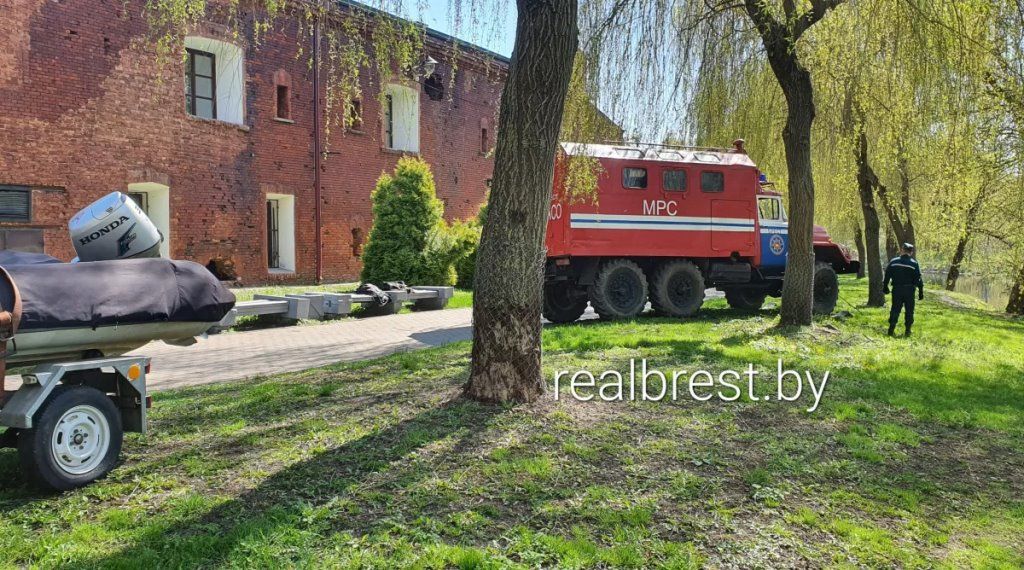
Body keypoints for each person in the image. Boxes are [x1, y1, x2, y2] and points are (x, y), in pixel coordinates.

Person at [883, 242, 924, 337]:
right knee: (909, 310)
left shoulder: (893, 262)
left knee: (895, 309)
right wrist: (921, 292)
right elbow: (918, 279)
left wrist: (885, 287)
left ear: (902, 250)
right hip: (909, 290)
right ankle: (908, 331)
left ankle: (891, 329)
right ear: (911, 252)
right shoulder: (914, 264)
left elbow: (887, 275)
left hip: (896, 289)